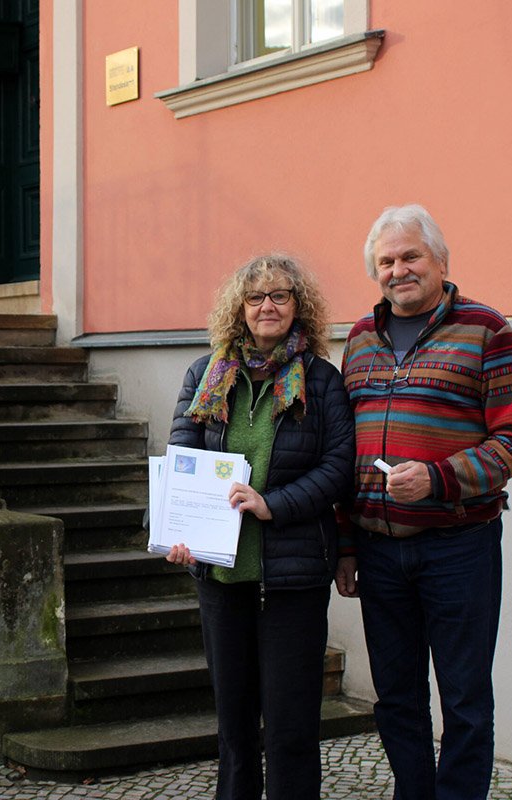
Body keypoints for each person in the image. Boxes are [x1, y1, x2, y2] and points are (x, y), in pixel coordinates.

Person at [335, 204, 512, 800]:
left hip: (459, 547)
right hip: (377, 550)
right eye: (386, 261)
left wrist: (439, 479)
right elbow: (346, 449)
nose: (398, 270)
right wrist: (346, 544)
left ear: (440, 262)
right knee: (396, 697)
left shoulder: (486, 329)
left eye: (410, 257)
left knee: (465, 697)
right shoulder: (358, 338)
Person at [164, 254, 354, 800]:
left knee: (292, 726)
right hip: (221, 578)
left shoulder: (320, 381)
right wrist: (178, 533)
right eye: (255, 297)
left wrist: (274, 504)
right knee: (235, 725)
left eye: (279, 296)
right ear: (238, 309)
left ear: (300, 308)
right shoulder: (205, 377)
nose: (266, 306)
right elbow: (182, 459)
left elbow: (339, 467)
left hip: (292, 578)